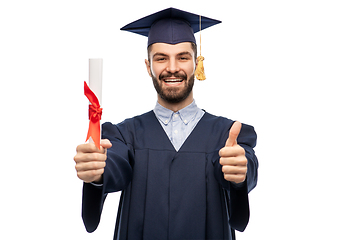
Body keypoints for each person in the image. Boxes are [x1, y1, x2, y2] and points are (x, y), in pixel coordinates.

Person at [74, 8, 258, 240]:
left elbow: (246, 163)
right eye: (161, 58)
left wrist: (240, 173)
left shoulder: (228, 134)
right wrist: (96, 170)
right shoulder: (123, 135)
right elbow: (112, 162)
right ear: (148, 66)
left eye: (182, 57)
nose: (172, 67)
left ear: (196, 63)